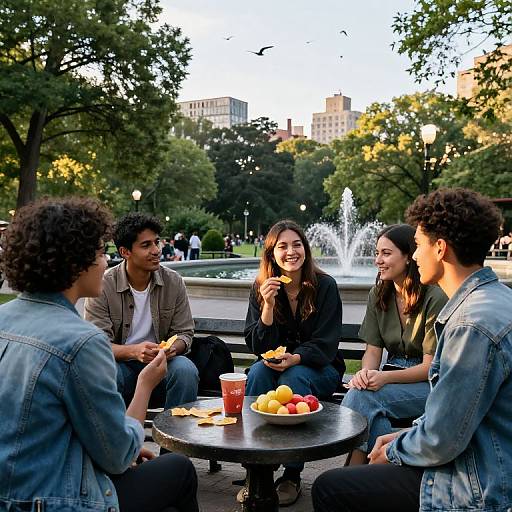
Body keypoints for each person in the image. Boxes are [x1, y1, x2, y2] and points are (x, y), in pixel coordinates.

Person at [312, 188, 512, 512]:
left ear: (440, 248)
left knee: (330, 489)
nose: (415, 255)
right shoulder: (493, 301)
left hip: (474, 486)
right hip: (479, 461)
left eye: (417, 246)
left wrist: (393, 452)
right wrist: (402, 439)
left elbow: (442, 438)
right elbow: (447, 417)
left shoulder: (470, 325)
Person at [0, 197, 198, 512]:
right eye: (99, 253)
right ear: (76, 263)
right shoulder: (82, 340)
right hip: (54, 501)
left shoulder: (3, 318)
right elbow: (119, 457)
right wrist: (145, 386)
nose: (105, 262)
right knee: (179, 470)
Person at [243, 220, 344, 506]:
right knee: (259, 374)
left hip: (319, 369)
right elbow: (258, 347)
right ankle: (257, 470)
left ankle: (291, 473)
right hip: (275, 365)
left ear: (306, 249)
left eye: (296, 244)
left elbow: (326, 343)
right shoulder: (262, 288)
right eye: (282, 246)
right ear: (271, 254)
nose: (291, 252)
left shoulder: (325, 286)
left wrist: (295, 358)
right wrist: (268, 306)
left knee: (294, 378)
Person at [342, 224, 447, 465]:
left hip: (430, 384)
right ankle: (374, 476)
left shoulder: (434, 296)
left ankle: (354, 471)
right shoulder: (379, 294)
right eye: (377, 253)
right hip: (392, 376)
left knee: (364, 399)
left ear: (408, 256)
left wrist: (383, 378)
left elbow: (430, 368)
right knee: (368, 405)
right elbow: (372, 350)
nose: (378, 260)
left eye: (386, 253)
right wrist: (366, 374)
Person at [85, 213, 199, 411]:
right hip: (122, 367)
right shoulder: (103, 285)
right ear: (125, 252)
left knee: (185, 370)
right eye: (146, 245)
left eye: (157, 243)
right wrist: (133, 351)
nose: (156, 251)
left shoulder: (173, 282)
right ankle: (118, 440)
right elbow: (97, 345)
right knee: (106, 373)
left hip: (162, 365)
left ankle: (172, 441)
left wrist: (173, 348)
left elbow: (185, 333)